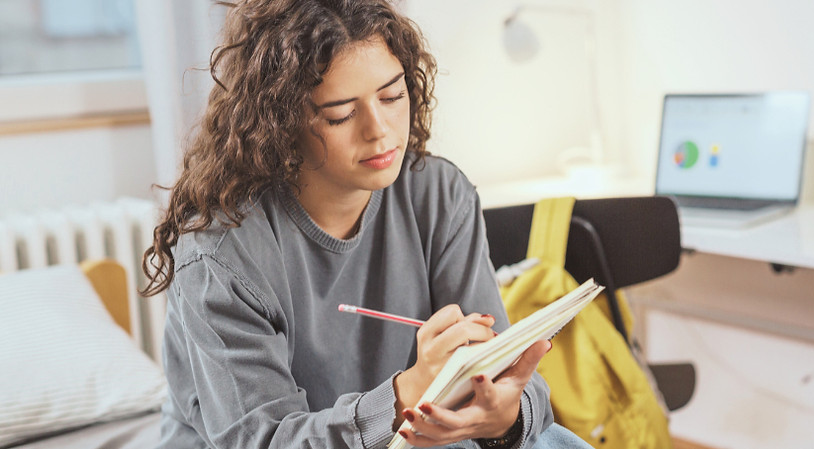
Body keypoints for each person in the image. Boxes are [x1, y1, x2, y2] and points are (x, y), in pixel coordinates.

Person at [142, 1, 593, 448]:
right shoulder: (221, 252)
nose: (380, 130)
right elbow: (262, 439)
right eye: (340, 114)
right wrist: (405, 395)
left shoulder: (438, 195)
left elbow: (502, 368)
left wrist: (504, 416)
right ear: (280, 122)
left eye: (393, 96)